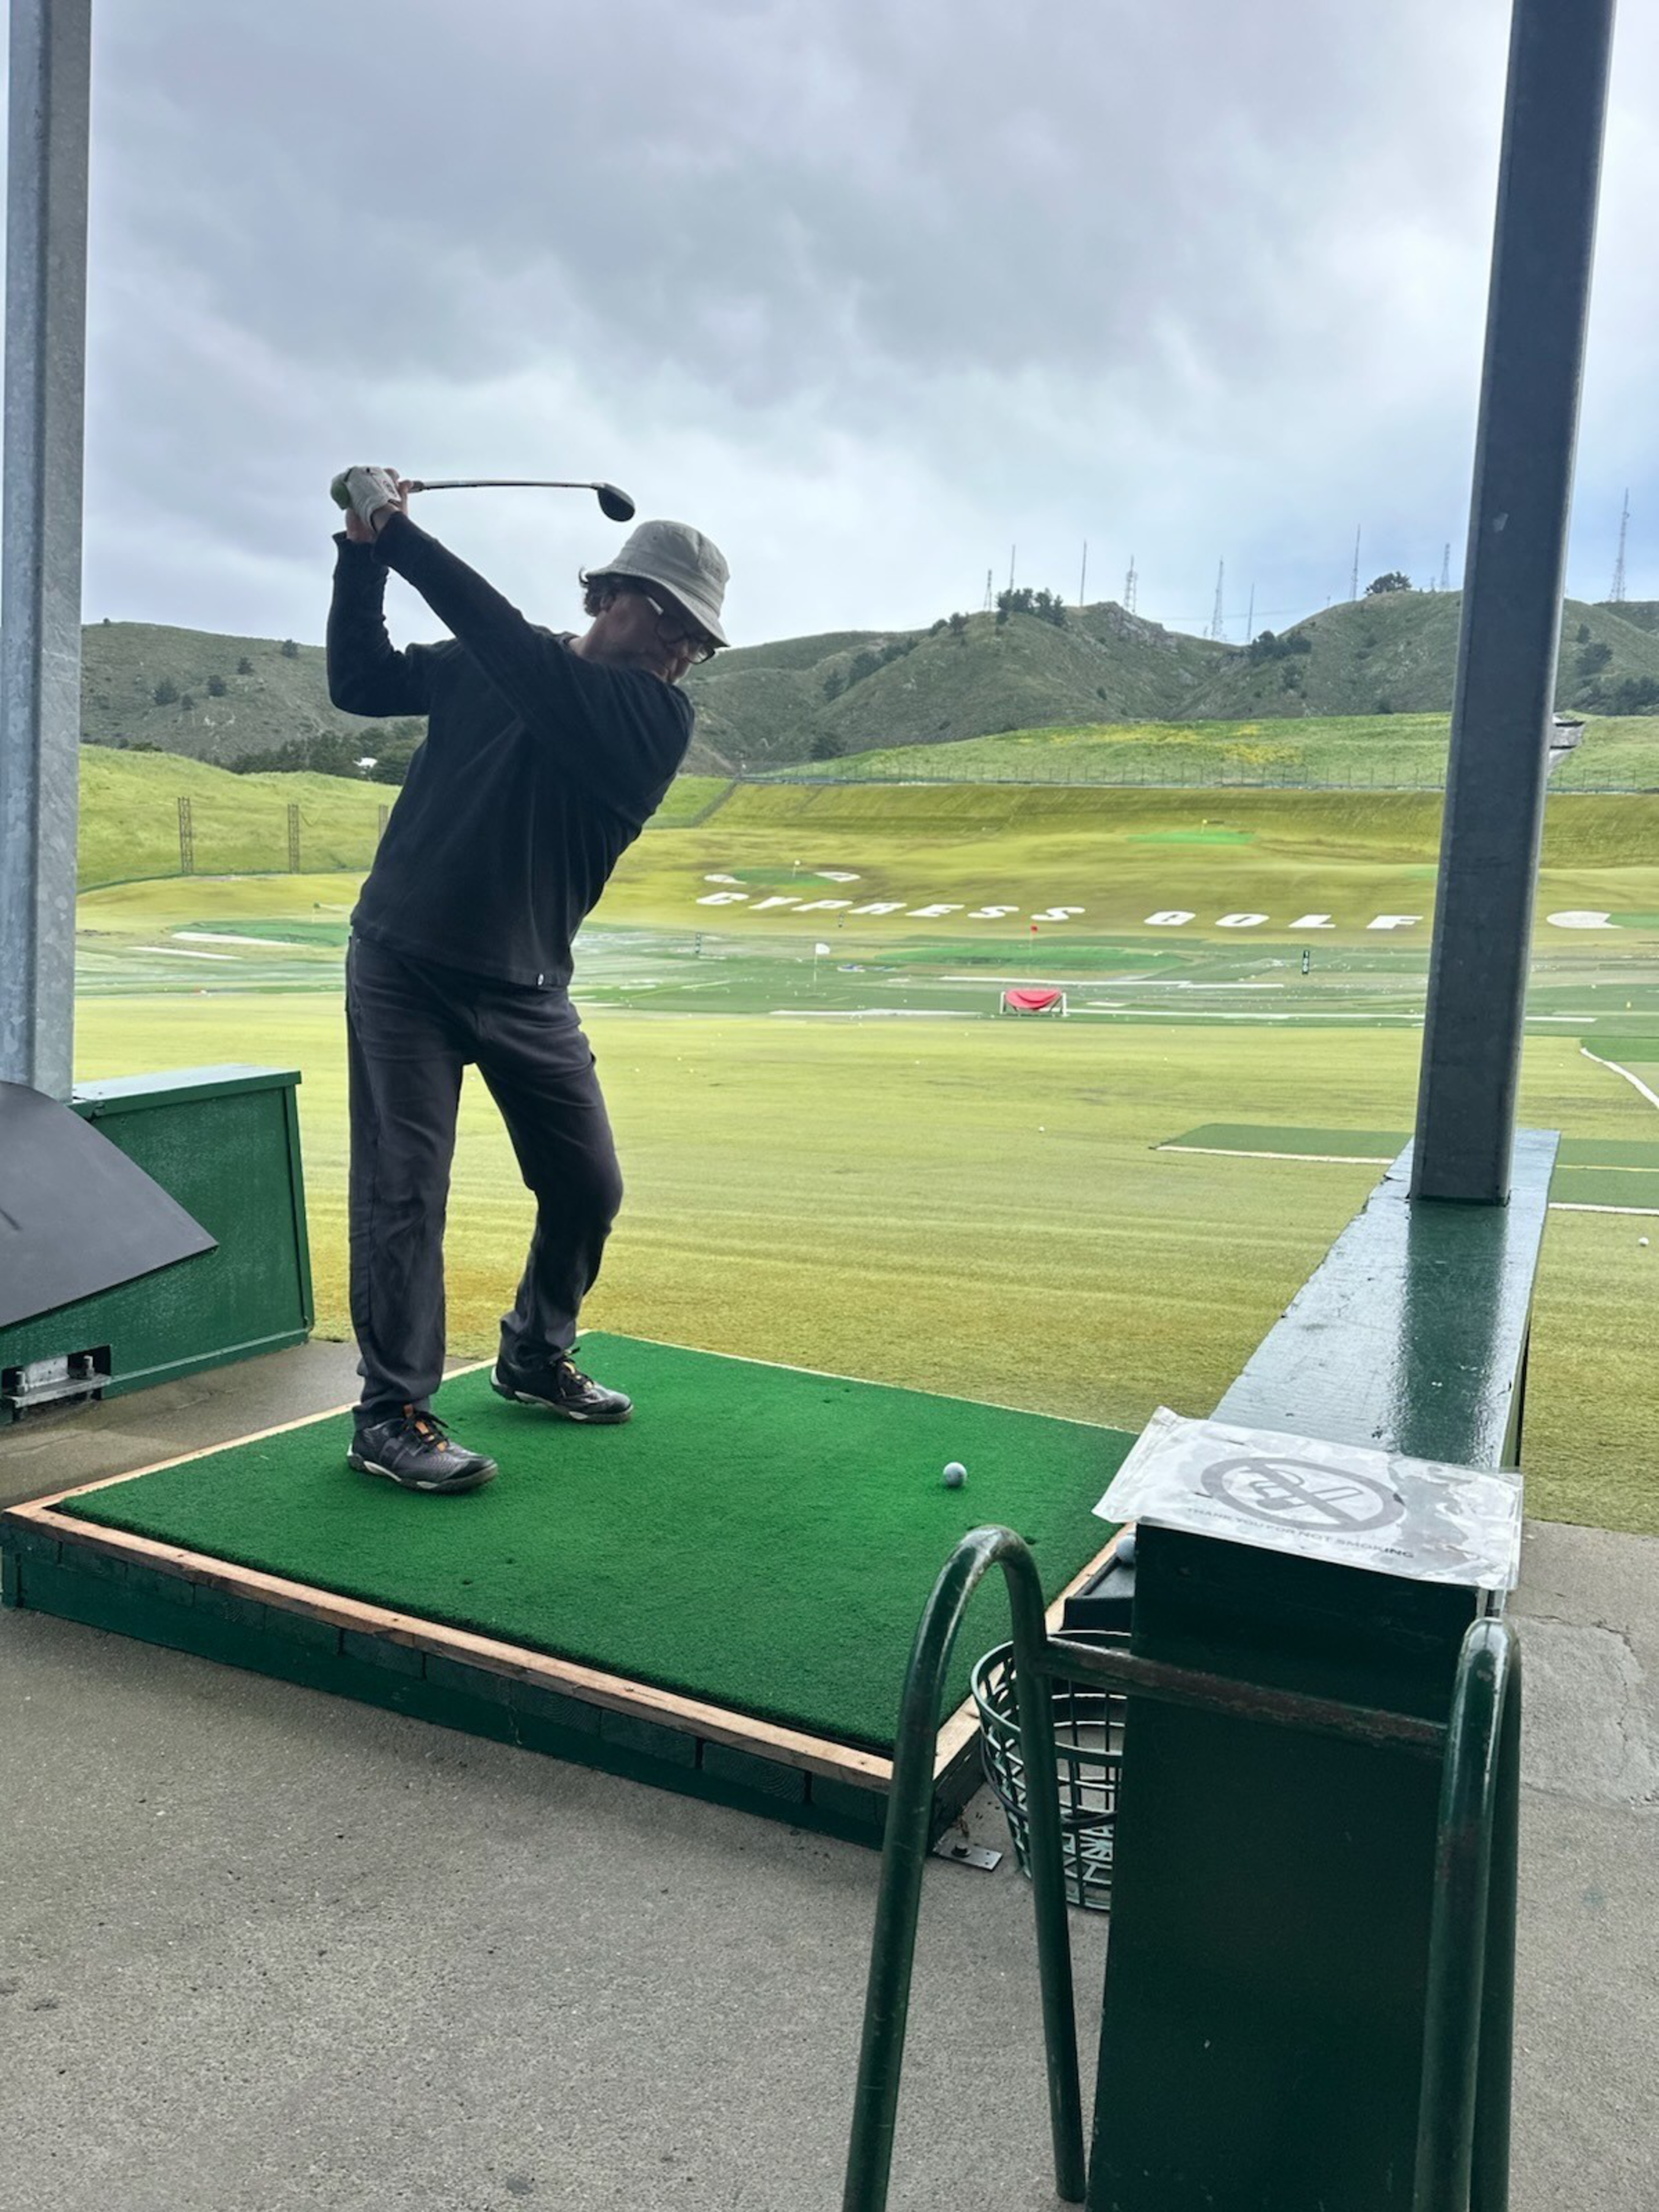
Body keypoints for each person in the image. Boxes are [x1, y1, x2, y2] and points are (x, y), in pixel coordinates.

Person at [326, 465, 729, 1494]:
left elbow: (510, 648)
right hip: (403, 965)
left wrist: (396, 532)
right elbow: (361, 681)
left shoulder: (652, 721)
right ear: (614, 595)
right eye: (677, 622)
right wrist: (361, 558)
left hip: (527, 987)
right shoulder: (494, 665)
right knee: (405, 1190)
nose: (686, 650)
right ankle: (389, 1414)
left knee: (589, 1184)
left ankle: (535, 1353)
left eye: (701, 640)